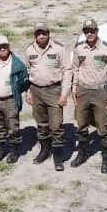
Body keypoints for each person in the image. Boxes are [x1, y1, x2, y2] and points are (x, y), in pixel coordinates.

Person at [70, 19, 107, 173]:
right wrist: (74, 89)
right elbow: (75, 69)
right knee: (81, 124)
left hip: (100, 92)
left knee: (103, 126)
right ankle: (82, 153)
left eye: (92, 30)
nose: (89, 33)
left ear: (97, 31)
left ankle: (106, 158)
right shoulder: (79, 49)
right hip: (83, 91)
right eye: (86, 31)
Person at [23, 22, 72, 171]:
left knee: (56, 125)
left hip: (54, 91)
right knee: (42, 124)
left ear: (48, 34)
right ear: (35, 35)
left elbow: (67, 71)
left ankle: (58, 155)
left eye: (44, 33)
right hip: (36, 91)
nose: (41, 36)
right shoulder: (29, 49)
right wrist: (28, 92)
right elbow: (28, 71)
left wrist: (64, 94)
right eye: (38, 34)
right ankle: (45, 150)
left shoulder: (58, 48)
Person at [0, 35, 28, 164]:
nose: (2, 48)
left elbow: (25, 81)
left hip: (10, 100)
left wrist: (16, 91)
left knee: (13, 126)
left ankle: (14, 150)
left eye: (4, 46)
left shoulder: (17, 64)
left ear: (8, 46)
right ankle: (1, 149)